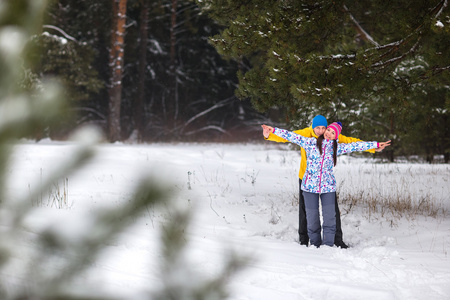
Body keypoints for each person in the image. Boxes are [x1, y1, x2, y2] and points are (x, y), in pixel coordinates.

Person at [262, 122, 391, 248]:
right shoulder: (309, 142)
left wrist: (376, 145)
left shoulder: (336, 148)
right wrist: (272, 130)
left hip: (327, 187)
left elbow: (355, 145)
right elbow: (290, 136)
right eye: (328, 130)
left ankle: (328, 246)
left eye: (333, 132)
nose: (329, 133)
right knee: (312, 219)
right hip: (309, 187)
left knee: (330, 218)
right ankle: (315, 245)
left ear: (337, 136)